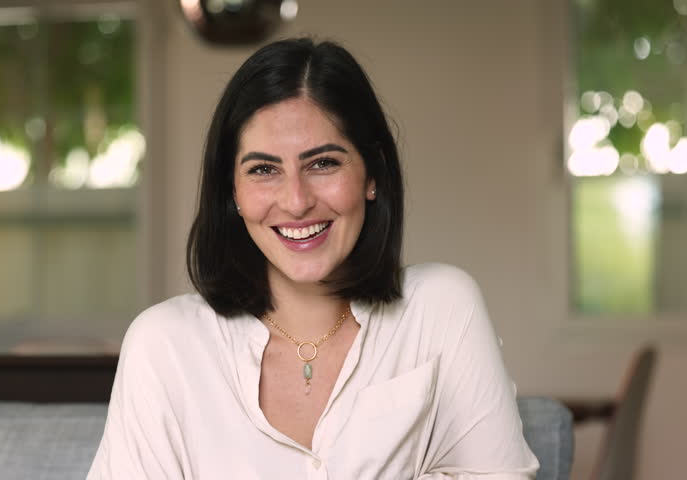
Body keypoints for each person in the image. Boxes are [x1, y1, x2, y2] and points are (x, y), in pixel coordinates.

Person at [87, 37, 538, 479]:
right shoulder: (164, 345)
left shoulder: (441, 306)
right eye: (264, 170)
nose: (297, 201)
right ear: (233, 192)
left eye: (323, 163)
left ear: (372, 173)